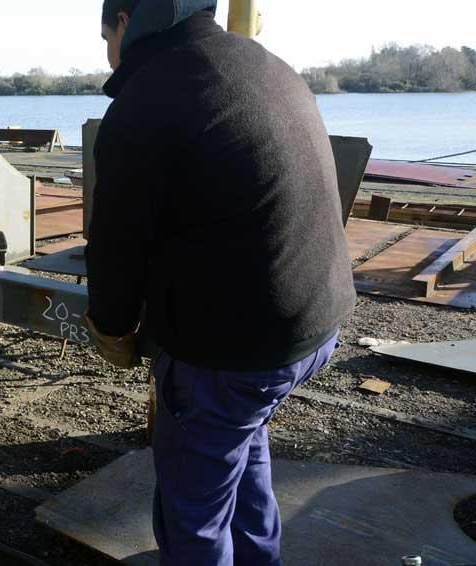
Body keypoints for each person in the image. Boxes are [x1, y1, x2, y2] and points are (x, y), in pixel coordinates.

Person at [85, 1, 356, 564]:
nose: (107, 49)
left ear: (127, 22)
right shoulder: (267, 66)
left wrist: (112, 326)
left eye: (105, 33)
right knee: (239, 441)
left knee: (193, 512)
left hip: (232, 349)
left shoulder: (147, 98)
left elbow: (115, 242)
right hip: (315, 321)